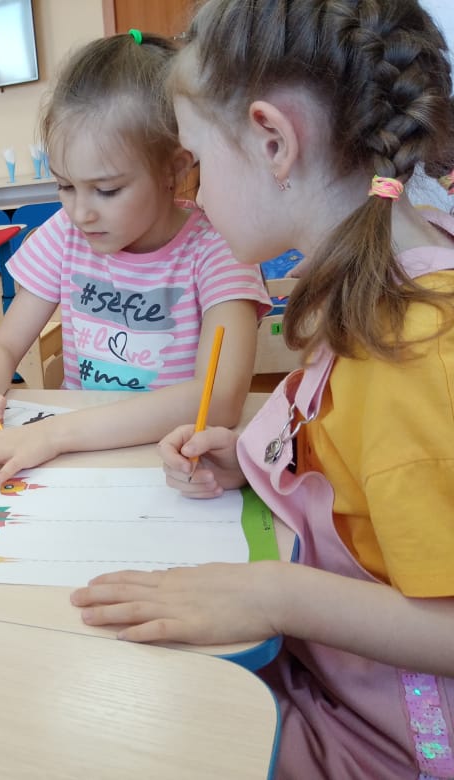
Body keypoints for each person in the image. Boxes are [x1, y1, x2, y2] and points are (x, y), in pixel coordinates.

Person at [70, 3, 454, 777]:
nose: (192, 195)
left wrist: (275, 596)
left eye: (196, 163)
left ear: (273, 141)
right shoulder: (369, 279)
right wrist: (254, 458)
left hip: (400, 739)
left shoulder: (415, 353)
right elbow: (363, 473)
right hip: (333, 680)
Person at [0, 32, 271, 490]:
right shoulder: (65, 235)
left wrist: (54, 435)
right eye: (65, 185)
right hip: (76, 463)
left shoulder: (218, 247)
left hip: (168, 465)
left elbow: (220, 399)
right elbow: (3, 346)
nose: (81, 212)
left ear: (176, 168)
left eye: (107, 190)